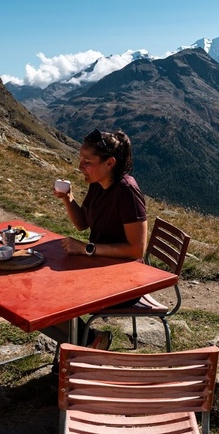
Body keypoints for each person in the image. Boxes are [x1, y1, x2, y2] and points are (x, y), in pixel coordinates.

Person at [48, 128, 148, 348]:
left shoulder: (127, 192)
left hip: (126, 279)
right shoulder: (97, 184)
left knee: (53, 295)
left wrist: (87, 249)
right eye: (80, 160)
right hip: (101, 268)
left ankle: (83, 345)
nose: (80, 166)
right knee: (44, 293)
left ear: (109, 163)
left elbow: (137, 249)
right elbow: (83, 222)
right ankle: (90, 341)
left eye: (87, 162)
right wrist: (68, 197)